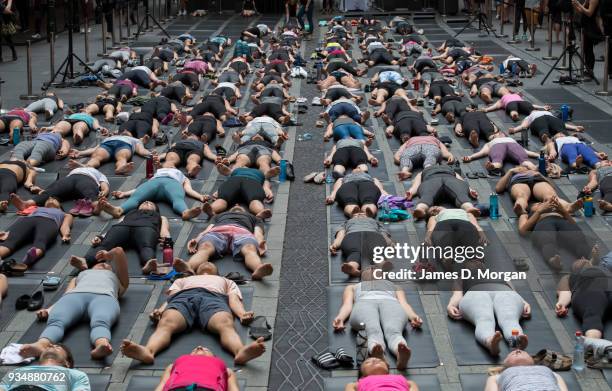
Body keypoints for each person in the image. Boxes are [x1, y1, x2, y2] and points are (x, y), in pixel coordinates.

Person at [120, 262, 266, 365]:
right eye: (203, 263)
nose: (206, 263)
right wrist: (161, 310)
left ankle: (240, 351)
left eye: (210, 263)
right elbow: (171, 298)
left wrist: (242, 314)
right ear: (195, 271)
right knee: (166, 322)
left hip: (214, 298)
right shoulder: (183, 279)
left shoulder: (226, 281)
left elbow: (233, 300)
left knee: (225, 323)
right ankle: (149, 351)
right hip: (184, 297)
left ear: (217, 272)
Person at [19, 247, 129, 361]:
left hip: (104, 298)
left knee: (101, 321)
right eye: (99, 264)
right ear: (91, 268)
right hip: (75, 296)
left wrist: (107, 255)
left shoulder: (119, 280)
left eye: (108, 265)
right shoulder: (80, 276)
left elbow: (119, 251)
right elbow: (66, 296)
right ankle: (41, 344)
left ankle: (102, 344)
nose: (104, 264)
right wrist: (48, 310)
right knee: (57, 320)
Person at [332, 271, 423, 370]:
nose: (372, 271)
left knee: (393, 331)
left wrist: (413, 317)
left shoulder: (395, 286)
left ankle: (400, 352)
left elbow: (404, 304)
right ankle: (378, 354)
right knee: (372, 331)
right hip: (364, 302)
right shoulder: (353, 287)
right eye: (368, 270)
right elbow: (347, 304)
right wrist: (340, 318)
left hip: (390, 302)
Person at [447, 260, 531, 356]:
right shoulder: (462, 276)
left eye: (478, 260)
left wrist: (524, 302)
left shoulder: (500, 273)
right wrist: (451, 305)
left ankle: (516, 341)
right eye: (471, 260)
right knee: (484, 319)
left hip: (503, 291)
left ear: (483, 264)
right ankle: (490, 341)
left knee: (509, 317)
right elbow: (457, 294)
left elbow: (513, 291)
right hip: (476, 293)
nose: (476, 262)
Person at [173, 206, 273, 280]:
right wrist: (197, 239)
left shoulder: (254, 218)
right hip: (218, 231)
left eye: (239, 205)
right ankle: (188, 267)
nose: (237, 204)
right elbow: (207, 229)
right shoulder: (218, 216)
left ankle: (258, 269)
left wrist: (260, 243)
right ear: (229, 210)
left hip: (242, 232)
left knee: (250, 248)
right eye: (235, 205)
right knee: (205, 246)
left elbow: (258, 232)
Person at [71, 200, 170, 272]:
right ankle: (85, 261)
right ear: (138, 207)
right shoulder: (129, 214)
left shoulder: (160, 217)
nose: (147, 203)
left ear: (156, 210)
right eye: (144, 202)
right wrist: (101, 237)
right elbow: (116, 225)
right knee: (105, 245)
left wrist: (167, 240)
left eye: (151, 203)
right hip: (123, 227)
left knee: (146, 246)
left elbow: (164, 230)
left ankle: (149, 263)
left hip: (146, 227)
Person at [516, 196, 594, 271]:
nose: (543, 204)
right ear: (531, 209)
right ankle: (552, 258)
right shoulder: (528, 215)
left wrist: (563, 211)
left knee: (576, 236)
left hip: (561, 222)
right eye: (538, 204)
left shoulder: (558, 212)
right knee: (546, 238)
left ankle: (589, 258)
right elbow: (522, 230)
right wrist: (539, 211)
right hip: (544, 222)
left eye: (543, 203)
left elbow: (574, 225)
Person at [99, 167, 203, 220]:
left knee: (177, 198)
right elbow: (140, 190)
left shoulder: (183, 177)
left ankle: (185, 212)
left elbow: (189, 190)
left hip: (172, 184)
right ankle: (119, 210)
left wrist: (201, 197)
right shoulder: (156, 174)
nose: (170, 166)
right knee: (136, 198)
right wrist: (124, 193)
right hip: (154, 183)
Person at [9, 166, 110, 217]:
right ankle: (27, 204)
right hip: (70, 179)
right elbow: (56, 187)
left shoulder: (97, 173)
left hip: (86, 179)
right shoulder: (77, 169)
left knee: (89, 193)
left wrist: (104, 191)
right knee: (52, 191)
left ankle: (96, 206)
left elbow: (104, 184)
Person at [0, 199, 73, 268]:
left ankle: (32, 256)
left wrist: (65, 234)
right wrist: (8, 233)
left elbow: (65, 225)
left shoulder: (65, 214)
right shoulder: (36, 208)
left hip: (49, 221)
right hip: (29, 220)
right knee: (9, 242)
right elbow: (23, 211)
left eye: (54, 199)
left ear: (59, 205)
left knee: (41, 241)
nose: (50, 199)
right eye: (48, 199)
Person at [555, 258, 612, 340]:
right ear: (574, 269)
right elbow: (565, 290)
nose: (582, 259)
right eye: (578, 260)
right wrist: (562, 303)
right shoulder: (571, 276)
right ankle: (592, 343)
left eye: (584, 259)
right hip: (590, 287)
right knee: (592, 315)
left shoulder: (604, 269)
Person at [495, 166, 582, 216]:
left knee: (550, 195)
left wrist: (541, 175)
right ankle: (520, 208)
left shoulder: (535, 171)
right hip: (519, 181)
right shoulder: (513, 173)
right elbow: (498, 189)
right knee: (521, 195)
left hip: (537, 179)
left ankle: (568, 207)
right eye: (520, 166)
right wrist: (511, 171)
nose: (523, 167)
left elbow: (553, 187)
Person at [0, 344, 91, 390]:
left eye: (57, 347)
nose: (51, 346)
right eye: (48, 347)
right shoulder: (16, 372)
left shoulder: (76, 375)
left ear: (67, 363)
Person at [405, 164, 480, 219]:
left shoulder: (423, 172)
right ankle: (468, 207)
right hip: (449, 179)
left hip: (433, 180)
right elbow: (461, 180)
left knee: (427, 195)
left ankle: (421, 208)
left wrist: (470, 190)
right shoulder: (450, 169)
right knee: (461, 194)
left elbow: (416, 183)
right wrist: (411, 192)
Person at [155, 346, 241, 391]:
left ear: (214, 357)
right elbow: (163, 384)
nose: (199, 347)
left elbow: (233, 387)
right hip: (178, 388)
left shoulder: (225, 369)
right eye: (194, 350)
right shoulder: (173, 365)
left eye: (206, 350)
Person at [202, 167, 274, 218]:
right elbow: (227, 180)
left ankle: (260, 212)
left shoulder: (261, 173)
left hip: (252, 181)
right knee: (222, 198)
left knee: (255, 198)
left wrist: (267, 189)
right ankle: (211, 210)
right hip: (236, 180)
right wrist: (218, 190)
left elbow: (266, 181)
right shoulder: (236, 170)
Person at [69, 132, 152, 175]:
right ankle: (87, 166)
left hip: (123, 145)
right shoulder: (108, 138)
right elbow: (94, 149)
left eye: (127, 132)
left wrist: (151, 154)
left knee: (122, 157)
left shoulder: (135, 140)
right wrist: (80, 153)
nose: (125, 131)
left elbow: (141, 150)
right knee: (96, 156)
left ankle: (120, 168)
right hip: (106, 145)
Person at [484, 350, 569, 390]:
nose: (517, 351)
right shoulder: (497, 377)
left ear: (533, 360)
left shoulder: (550, 372)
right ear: (505, 364)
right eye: (512, 354)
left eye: (523, 352)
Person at [462, 133, 538, 174]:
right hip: (497, 146)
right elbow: (482, 152)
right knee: (497, 159)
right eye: (497, 134)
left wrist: (540, 155)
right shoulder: (490, 143)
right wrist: (470, 157)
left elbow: (526, 151)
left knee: (524, 159)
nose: (500, 133)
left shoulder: (511, 139)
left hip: (512, 145)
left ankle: (535, 169)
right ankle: (494, 166)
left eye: (501, 133)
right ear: (494, 137)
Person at [343, 357, 420, 390]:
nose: (374, 360)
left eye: (379, 360)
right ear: (362, 375)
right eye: (367, 362)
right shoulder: (361, 382)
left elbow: (412, 384)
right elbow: (350, 386)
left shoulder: (399, 378)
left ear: (387, 369)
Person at [508, 110, 584, 143]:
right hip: (539, 119)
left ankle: (567, 137)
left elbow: (561, 124)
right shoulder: (529, 116)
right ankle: (546, 137)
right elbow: (524, 125)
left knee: (559, 127)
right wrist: (515, 129)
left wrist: (575, 127)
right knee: (544, 129)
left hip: (550, 118)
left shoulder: (548, 113)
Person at [574, 0, 601, 80]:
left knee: (589, 49)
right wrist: (575, 5)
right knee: (586, 49)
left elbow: (589, 13)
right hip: (585, 26)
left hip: (590, 27)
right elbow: (581, 11)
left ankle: (590, 70)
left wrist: (579, 4)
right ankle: (587, 69)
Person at [482, 93, 550, 121]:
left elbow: (496, 106)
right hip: (520, 102)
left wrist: (487, 109)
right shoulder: (517, 96)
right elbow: (531, 105)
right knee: (531, 109)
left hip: (510, 103)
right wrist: (542, 107)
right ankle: (537, 115)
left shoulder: (502, 99)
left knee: (513, 110)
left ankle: (514, 115)